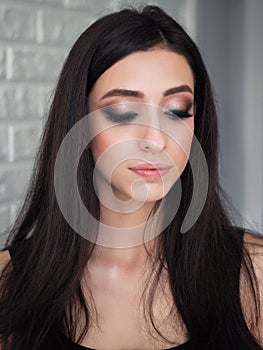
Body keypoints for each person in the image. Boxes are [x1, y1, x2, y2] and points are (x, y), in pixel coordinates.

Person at [0, 4, 262, 350]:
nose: (155, 140)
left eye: (176, 112)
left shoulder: (254, 274)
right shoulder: (9, 283)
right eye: (124, 113)